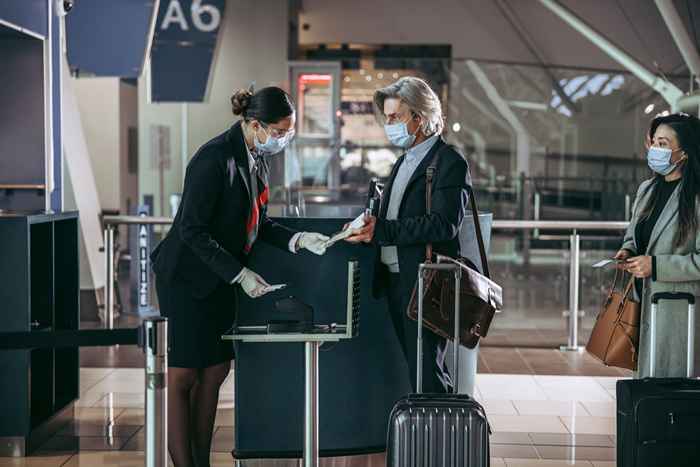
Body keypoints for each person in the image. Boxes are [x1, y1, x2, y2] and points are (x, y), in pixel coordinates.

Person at [150, 86, 329, 467]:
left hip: (219, 278)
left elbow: (257, 223)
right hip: (186, 278)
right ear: (253, 124)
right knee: (184, 375)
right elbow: (192, 230)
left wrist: (297, 239)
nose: (283, 139)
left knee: (215, 371)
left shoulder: (256, 158)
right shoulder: (213, 158)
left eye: (287, 132)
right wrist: (240, 274)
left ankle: (200, 460)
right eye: (279, 131)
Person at [346, 77, 471, 393]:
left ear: (420, 117)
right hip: (396, 279)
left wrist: (383, 230)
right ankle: (427, 434)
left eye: (395, 117)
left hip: (425, 281)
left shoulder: (448, 162)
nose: (388, 124)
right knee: (417, 367)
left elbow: (445, 224)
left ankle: (439, 438)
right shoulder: (403, 161)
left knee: (427, 369)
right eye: (386, 117)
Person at [615, 112, 700, 378]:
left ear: (683, 153)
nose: (655, 150)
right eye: (654, 142)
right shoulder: (647, 190)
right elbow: (634, 234)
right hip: (643, 305)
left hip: (678, 311)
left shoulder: (696, 199)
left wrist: (656, 266)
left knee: (671, 392)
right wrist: (627, 250)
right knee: (646, 387)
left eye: (663, 144)